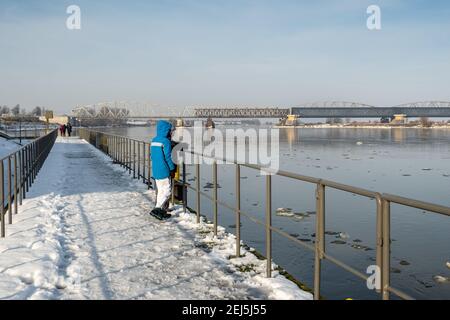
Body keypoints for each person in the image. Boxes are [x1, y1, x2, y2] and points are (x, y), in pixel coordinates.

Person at [150, 120, 176, 220]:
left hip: (156, 169)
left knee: (161, 191)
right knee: (167, 191)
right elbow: (168, 157)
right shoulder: (166, 142)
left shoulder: (154, 140)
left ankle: (160, 211)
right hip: (164, 169)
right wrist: (172, 169)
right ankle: (156, 209)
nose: (171, 132)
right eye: (170, 130)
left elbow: (152, 155)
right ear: (167, 130)